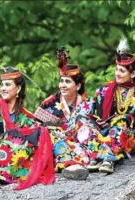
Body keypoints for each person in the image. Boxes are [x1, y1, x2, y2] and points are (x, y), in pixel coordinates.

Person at [89, 39, 135, 173]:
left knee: (122, 120)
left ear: (133, 74)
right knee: (83, 122)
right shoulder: (104, 90)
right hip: (103, 130)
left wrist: (125, 121)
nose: (117, 73)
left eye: (122, 71)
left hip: (125, 135)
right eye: (117, 69)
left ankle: (108, 159)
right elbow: (92, 110)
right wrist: (97, 120)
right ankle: (98, 155)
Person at [35, 46, 96, 177]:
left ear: (78, 86)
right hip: (58, 146)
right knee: (49, 131)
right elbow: (37, 128)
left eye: (67, 82)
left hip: (82, 145)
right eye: (61, 81)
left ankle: (87, 160)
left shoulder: (89, 104)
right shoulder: (49, 103)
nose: (62, 85)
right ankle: (69, 164)